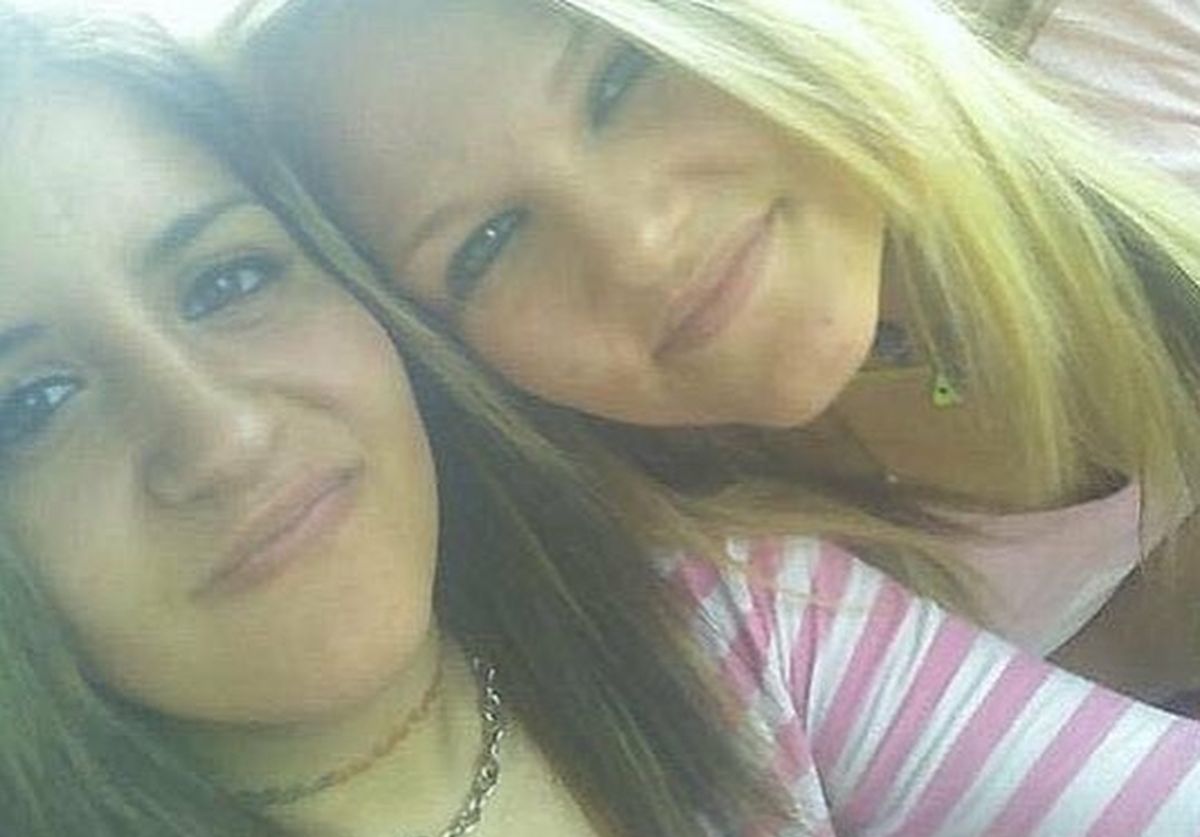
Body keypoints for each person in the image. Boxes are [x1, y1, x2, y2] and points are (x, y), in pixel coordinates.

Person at [3, 7, 1200, 837]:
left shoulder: (723, 626)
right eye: (28, 405)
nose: (224, 438)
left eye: (228, 280)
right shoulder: (690, 539)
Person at [222, 0, 1200, 710]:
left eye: (620, 79)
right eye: (485, 245)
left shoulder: (1136, 57)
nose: (641, 248)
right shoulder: (691, 574)